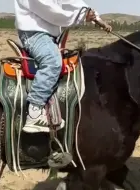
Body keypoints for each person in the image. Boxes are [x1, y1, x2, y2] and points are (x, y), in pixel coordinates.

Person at [14, 0, 112, 133]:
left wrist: (95, 17)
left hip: (50, 36)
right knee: (53, 61)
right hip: (34, 34)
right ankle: (34, 111)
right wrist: (81, 17)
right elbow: (50, 10)